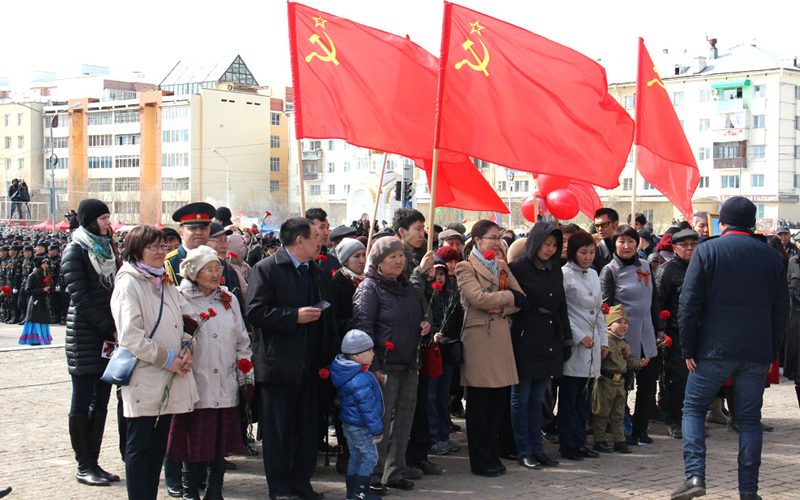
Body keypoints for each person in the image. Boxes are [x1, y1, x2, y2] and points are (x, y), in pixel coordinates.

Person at [672, 197, 789, 500]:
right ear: (752, 224)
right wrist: (770, 349)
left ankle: (695, 475)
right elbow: (781, 310)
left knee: (694, 409)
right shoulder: (771, 256)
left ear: (721, 223)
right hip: (755, 352)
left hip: (712, 349)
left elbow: (689, 304)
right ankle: (749, 491)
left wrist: (688, 349)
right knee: (750, 421)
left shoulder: (707, 250)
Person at [246, 217, 337, 500]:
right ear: (299, 241)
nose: (320, 240)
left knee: (307, 429)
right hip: (279, 365)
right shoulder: (267, 269)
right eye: (314, 236)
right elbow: (255, 312)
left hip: (311, 365)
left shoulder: (316, 271)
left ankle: (302, 482)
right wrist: (292, 316)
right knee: (278, 433)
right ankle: (280, 488)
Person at [111, 224, 198, 500]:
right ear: (137, 250)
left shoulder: (164, 281)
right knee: (140, 446)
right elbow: (131, 337)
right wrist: (169, 359)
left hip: (170, 376)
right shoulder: (129, 283)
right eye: (154, 247)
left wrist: (187, 348)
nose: (161, 252)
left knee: (159, 444)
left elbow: (186, 322)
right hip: (145, 375)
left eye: (164, 246)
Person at [168, 245, 253, 500]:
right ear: (194, 273)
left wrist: (245, 375)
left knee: (219, 443)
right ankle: (189, 491)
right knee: (191, 441)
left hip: (225, 381)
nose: (216, 274)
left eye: (218, 268)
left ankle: (215, 490)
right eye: (209, 269)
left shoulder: (228, 298)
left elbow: (241, 340)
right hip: (194, 381)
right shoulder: (179, 297)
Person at [352, 236, 430, 493]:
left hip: (408, 364)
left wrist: (423, 325)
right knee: (380, 423)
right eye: (392, 257)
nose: (399, 261)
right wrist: (372, 366)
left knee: (404, 421)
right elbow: (364, 329)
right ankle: (372, 475)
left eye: (400, 256)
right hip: (383, 365)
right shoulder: (369, 288)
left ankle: (394, 471)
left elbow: (416, 315)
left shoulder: (406, 286)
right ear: (379, 262)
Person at [455, 220, 523, 476]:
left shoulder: (502, 266)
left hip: (502, 338)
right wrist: (507, 299)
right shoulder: (465, 267)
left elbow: (521, 298)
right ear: (477, 240)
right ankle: (480, 460)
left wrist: (503, 304)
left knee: (498, 405)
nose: (497, 242)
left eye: (498, 237)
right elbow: (478, 299)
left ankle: (493, 454)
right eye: (492, 237)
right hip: (479, 341)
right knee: (479, 405)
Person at [62, 199, 121, 487]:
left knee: (102, 399)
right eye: (103, 218)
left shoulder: (109, 249)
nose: (108, 223)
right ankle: (83, 464)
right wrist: (110, 327)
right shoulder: (75, 249)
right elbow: (80, 297)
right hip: (85, 337)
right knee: (82, 399)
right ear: (89, 220)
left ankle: (94, 461)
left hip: (107, 337)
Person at [508, 222, 571, 467]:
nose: (550, 249)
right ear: (535, 243)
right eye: (547, 244)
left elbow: (561, 304)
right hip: (525, 337)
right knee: (521, 397)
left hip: (549, 338)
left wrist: (566, 338)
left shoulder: (555, 268)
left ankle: (537, 447)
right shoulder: (518, 268)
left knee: (538, 399)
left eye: (554, 245)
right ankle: (523, 448)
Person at [599, 225, 665, 446]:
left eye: (630, 241)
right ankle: (620, 430)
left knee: (647, 387)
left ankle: (641, 429)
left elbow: (653, 300)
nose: (626, 246)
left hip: (646, 337)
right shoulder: (610, 270)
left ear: (637, 243)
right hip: (622, 340)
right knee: (621, 388)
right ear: (614, 244)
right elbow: (605, 306)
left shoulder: (645, 266)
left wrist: (659, 328)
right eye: (621, 242)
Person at [560, 231, 606, 459]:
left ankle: (580, 442)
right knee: (570, 399)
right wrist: (578, 335)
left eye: (591, 252)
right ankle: (567, 444)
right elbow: (563, 312)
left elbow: (599, 310)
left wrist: (603, 340)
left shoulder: (594, 274)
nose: (587, 257)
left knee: (584, 400)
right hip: (575, 343)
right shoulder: (564, 275)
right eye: (583, 252)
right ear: (573, 252)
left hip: (593, 342)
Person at [330, 330, 384, 500]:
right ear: (358, 356)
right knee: (370, 457)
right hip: (361, 426)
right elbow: (367, 408)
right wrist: (377, 430)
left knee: (355, 456)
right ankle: (361, 491)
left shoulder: (348, 373)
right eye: (370, 351)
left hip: (349, 425)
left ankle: (351, 492)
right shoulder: (361, 378)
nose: (373, 354)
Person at [655, 229, 698, 439]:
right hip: (674, 333)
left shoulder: (701, 267)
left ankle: (692, 419)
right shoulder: (667, 271)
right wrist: (660, 330)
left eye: (693, 244)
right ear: (674, 248)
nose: (689, 248)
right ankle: (673, 418)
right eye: (684, 245)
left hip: (698, 333)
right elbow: (659, 302)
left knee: (695, 380)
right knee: (676, 379)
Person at [592, 305, 648, 454]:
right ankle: (599, 440)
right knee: (602, 413)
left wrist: (639, 363)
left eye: (626, 322)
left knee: (618, 413)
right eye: (619, 322)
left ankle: (620, 440)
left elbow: (626, 362)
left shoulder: (623, 343)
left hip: (619, 383)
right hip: (606, 382)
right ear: (609, 325)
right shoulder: (606, 342)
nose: (624, 326)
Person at [164, 202, 228, 286]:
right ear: (181, 233)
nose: (198, 232)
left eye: (203, 228)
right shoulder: (169, 262)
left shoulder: (219, 262)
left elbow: (226, 296)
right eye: (192, 228)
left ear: (209, 231)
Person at [18, 256, 53, 345]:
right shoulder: (32, 275)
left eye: (46, 263)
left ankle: (44, 338)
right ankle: (35, 338)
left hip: (44, 301)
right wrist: (42, 290)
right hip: (35, 302)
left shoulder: (47, 274)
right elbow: (28, 290)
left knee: (43, 320)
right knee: (36, 320)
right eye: (44, 263)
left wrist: (49, 290)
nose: (46, 265)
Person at [306, 207, 340, 277]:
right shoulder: (302, 262)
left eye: (327, 228)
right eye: (321, 227)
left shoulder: (333, 260)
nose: (326, 233)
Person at [393, 208, 426, 279]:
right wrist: (420, 271)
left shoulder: (423, 253)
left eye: (423, 229)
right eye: (418, 229)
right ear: (402, 232)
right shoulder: (396, 261)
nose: (422, 235)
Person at [591, 208, 619, 272]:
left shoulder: (626, 247)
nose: (600, 229)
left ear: (616, 224)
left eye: (604, 225)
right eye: (597, 226)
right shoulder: (595, 252)